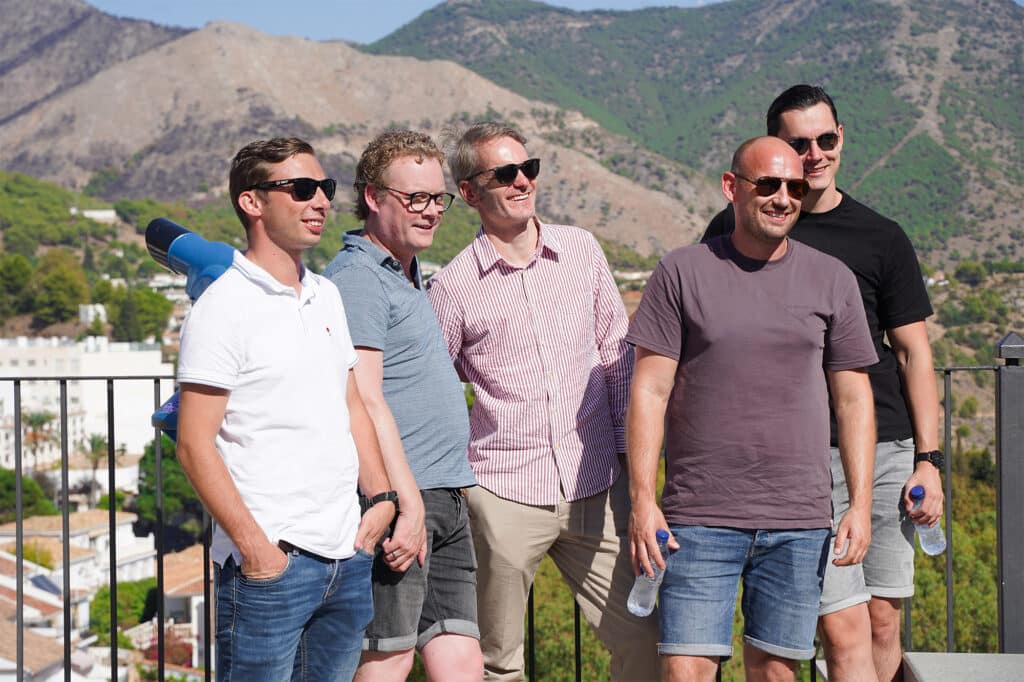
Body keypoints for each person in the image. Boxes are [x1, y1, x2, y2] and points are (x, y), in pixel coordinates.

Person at [703, 85, 943, 681]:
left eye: (826, 139)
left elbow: (913, 353)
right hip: (793, 458)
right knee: (836, 622)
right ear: (773, 148)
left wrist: (929, 459)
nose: (814, 154)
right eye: (798, 142)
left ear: (842, 139)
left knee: (883, 618)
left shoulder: (880, 237)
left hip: (883, 446)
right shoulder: (736, 225)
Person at [628, 136, 878, 682]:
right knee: (685, 671)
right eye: (768, 184)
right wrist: (644, 502)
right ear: (731, 187)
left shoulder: (832, 278)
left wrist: (859, 504)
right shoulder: (682, 271)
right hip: (698, 518)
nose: (783, 197)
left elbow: (854, 397)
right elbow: (648, 392)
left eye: (795, 186)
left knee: (776, 674)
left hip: (799, 521)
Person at [428, 121, 660, 681]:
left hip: (597, 488)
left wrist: (633, 471)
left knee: (645, 641)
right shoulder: (454, 286)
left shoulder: (581, 250)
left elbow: (616, 358)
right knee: (497, 662)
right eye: (504, 173)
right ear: (469, 191)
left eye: (527, 168)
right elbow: (437, 388)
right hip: (502, 495)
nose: (522, 181)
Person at [175, 137, 397, 681]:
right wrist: (257, 550)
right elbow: (193, 442)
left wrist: (384, 498)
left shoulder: (326, 295)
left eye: (324, 188)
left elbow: (351, 403)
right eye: (301, 189)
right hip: (271, 567)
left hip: (346, 554)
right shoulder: (223, 308)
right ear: (252, 202)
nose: (320, 201)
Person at [322, 130, 483, 682]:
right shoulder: (359, 278)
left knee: (460, 654)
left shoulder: (408, 275)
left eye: (438, 198)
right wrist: (405, 505)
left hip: (444, 497)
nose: (432, 211)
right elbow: (362, 398)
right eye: (415, 198)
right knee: (387, 656)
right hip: (401, 501)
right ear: (373, 196)